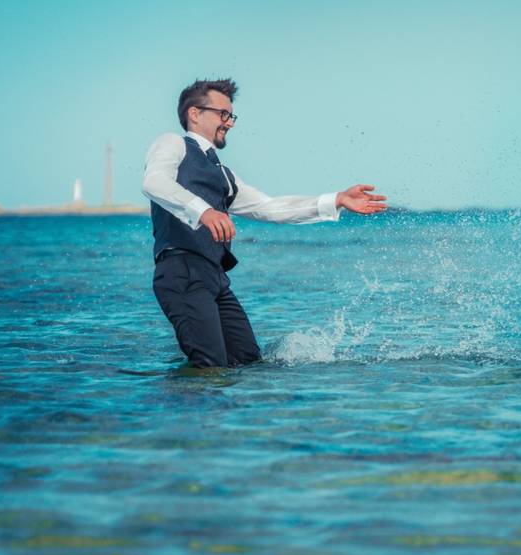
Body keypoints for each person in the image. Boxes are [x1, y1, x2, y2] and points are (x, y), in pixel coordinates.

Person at [143, 78, 387, 368]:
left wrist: (336, 200)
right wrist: (203, 211)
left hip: (216, 279)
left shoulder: (224, 174)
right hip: (181, 270)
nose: (229, 123)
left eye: (231, 115)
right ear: (194, 114)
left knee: (247, 361)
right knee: (210, 365)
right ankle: (182, 411)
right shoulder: (172, 143)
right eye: (223, 114)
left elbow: (269, 207)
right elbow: (154, 182)